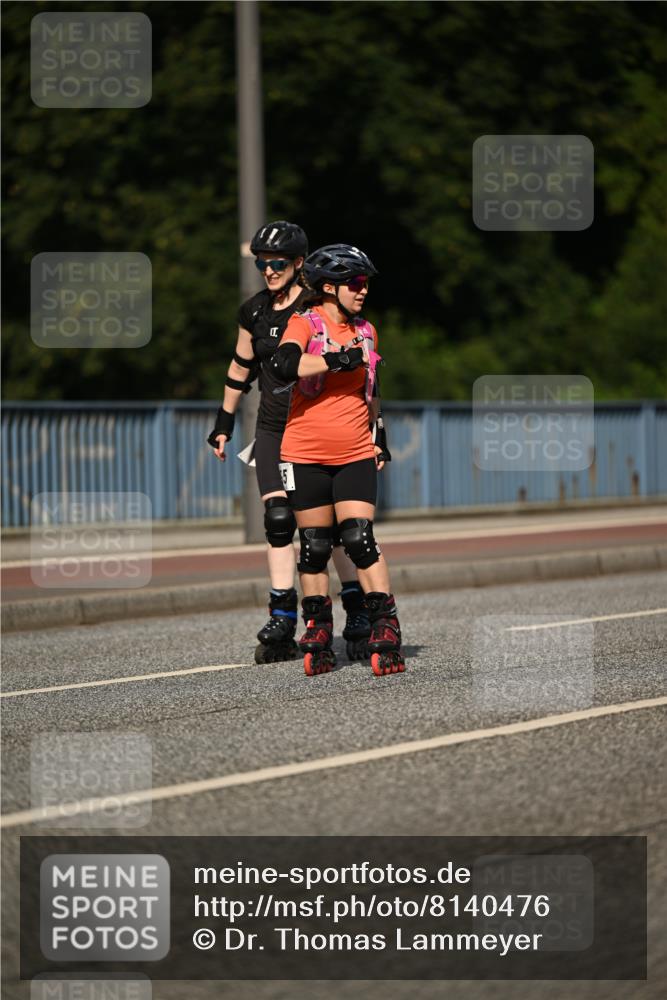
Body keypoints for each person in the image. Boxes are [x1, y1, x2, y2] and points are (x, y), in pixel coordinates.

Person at [207, 222, 367, 663]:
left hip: (315, 428)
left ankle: (355, 609)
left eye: (277, 263)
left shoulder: (317, 309)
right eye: (261, 263)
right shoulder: (254, 312)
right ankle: (282, 615)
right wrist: (223, 420)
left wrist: (375, 431)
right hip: (272, 429)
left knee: (328, 533)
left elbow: (361, 362)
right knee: (279, 520)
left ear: (299, 264)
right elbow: (240, 366)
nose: (268, 270)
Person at [269, 243, 404, 677]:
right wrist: (334, 359)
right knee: (314, 548)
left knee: (359, 538)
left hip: (354, 452)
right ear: (329, 287)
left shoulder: (367, 330)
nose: (363, 292)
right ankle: (319, 628)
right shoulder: (304, 322)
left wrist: (379, 435)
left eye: (365, 284)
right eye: (356, 284)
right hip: (303, 452)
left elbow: (372, 389)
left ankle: (385, 625)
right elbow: (284, 362)